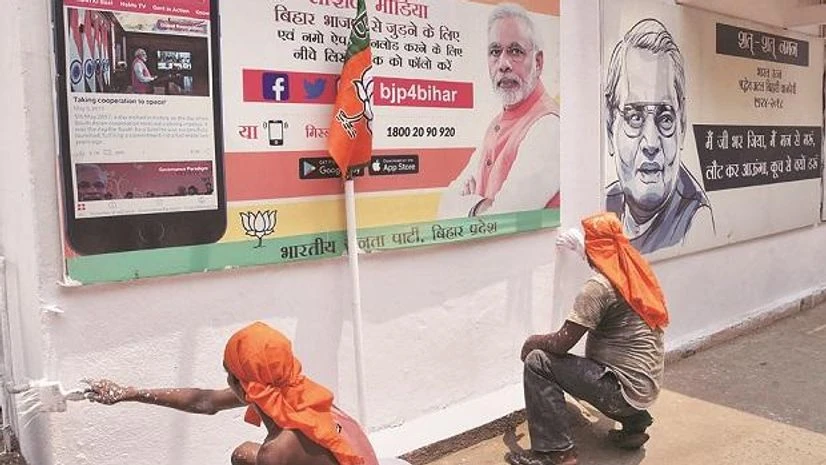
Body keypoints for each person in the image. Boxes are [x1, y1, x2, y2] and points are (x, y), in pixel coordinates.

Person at [85, 322, 380, 465]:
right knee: (243, 454)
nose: (226, 382)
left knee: (248, 455)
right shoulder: (293, 389)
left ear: (244, 386)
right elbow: (205, 400)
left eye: (228, 372)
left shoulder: (276, 452)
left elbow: (208, 400)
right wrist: (131, 393)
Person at [508, 212, 668, 465]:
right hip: (645, 388)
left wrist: (531, 342)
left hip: (620, 392)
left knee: (538, 361)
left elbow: (562, 343)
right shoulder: (634, 271)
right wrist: (586, 250)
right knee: (597, 368)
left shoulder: (598, 288)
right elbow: (605, 253)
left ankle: (557, 452)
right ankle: (635, 422)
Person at [437, 3, 559, 218]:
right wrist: (481, 207)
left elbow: (505, 219)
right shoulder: (497, 124)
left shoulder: (548, 126)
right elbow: (444, 207)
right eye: (495, 51)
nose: (503, 64)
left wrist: (470, 205)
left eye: (515, 51)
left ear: (538, 62)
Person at [604, 18, 712, 254]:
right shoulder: (606, 204)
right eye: (634, 117)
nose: (651, 143)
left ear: (681, 125)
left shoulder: (695, 222)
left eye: (665, 119)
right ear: (610, 123)